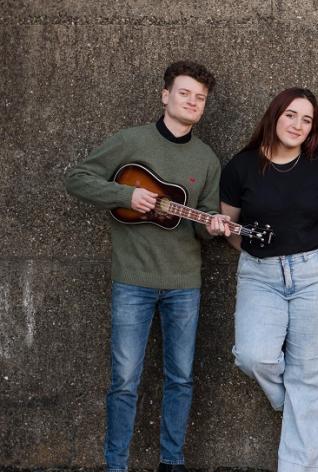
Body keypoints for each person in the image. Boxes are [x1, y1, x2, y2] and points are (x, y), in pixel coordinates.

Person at [64, 60, 228, 472]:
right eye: (185, 93)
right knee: (123, 383)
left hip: (184, 284)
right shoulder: (129, 141)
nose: (193, 102)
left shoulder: (207, 159)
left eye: (200, 98)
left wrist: (216, 226)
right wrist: (123, 195)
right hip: (132, 281)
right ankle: (115, 465)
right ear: (165, 95)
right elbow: (77, 178)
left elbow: (205, 225)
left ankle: (172, 462)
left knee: (181, 379)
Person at [219, 87, 318, 472]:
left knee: (312, 383)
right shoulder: (241, 167)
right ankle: (293, 399)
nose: (298, 125)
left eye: (307, 119)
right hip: (260, 275)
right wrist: (239, 245)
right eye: (291, 115)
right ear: (274, 115)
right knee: (253, 355)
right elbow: (230, 226)